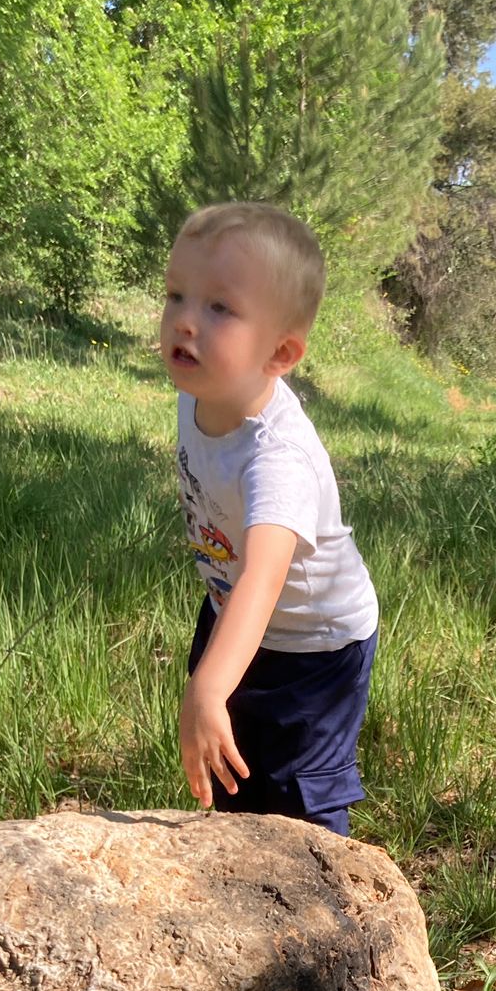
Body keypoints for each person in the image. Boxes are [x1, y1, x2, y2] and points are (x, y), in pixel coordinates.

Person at [160, 201, 378, 836]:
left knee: (297, 796)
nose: (185, 321)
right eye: (176, 295)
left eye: (219, 308)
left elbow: (264, 577)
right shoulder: (200, 393)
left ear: (280, 353)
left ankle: (326, 889)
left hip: (314, 648)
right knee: (239, 772)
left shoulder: (278, 456)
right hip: (235, 612)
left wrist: (208, 686)